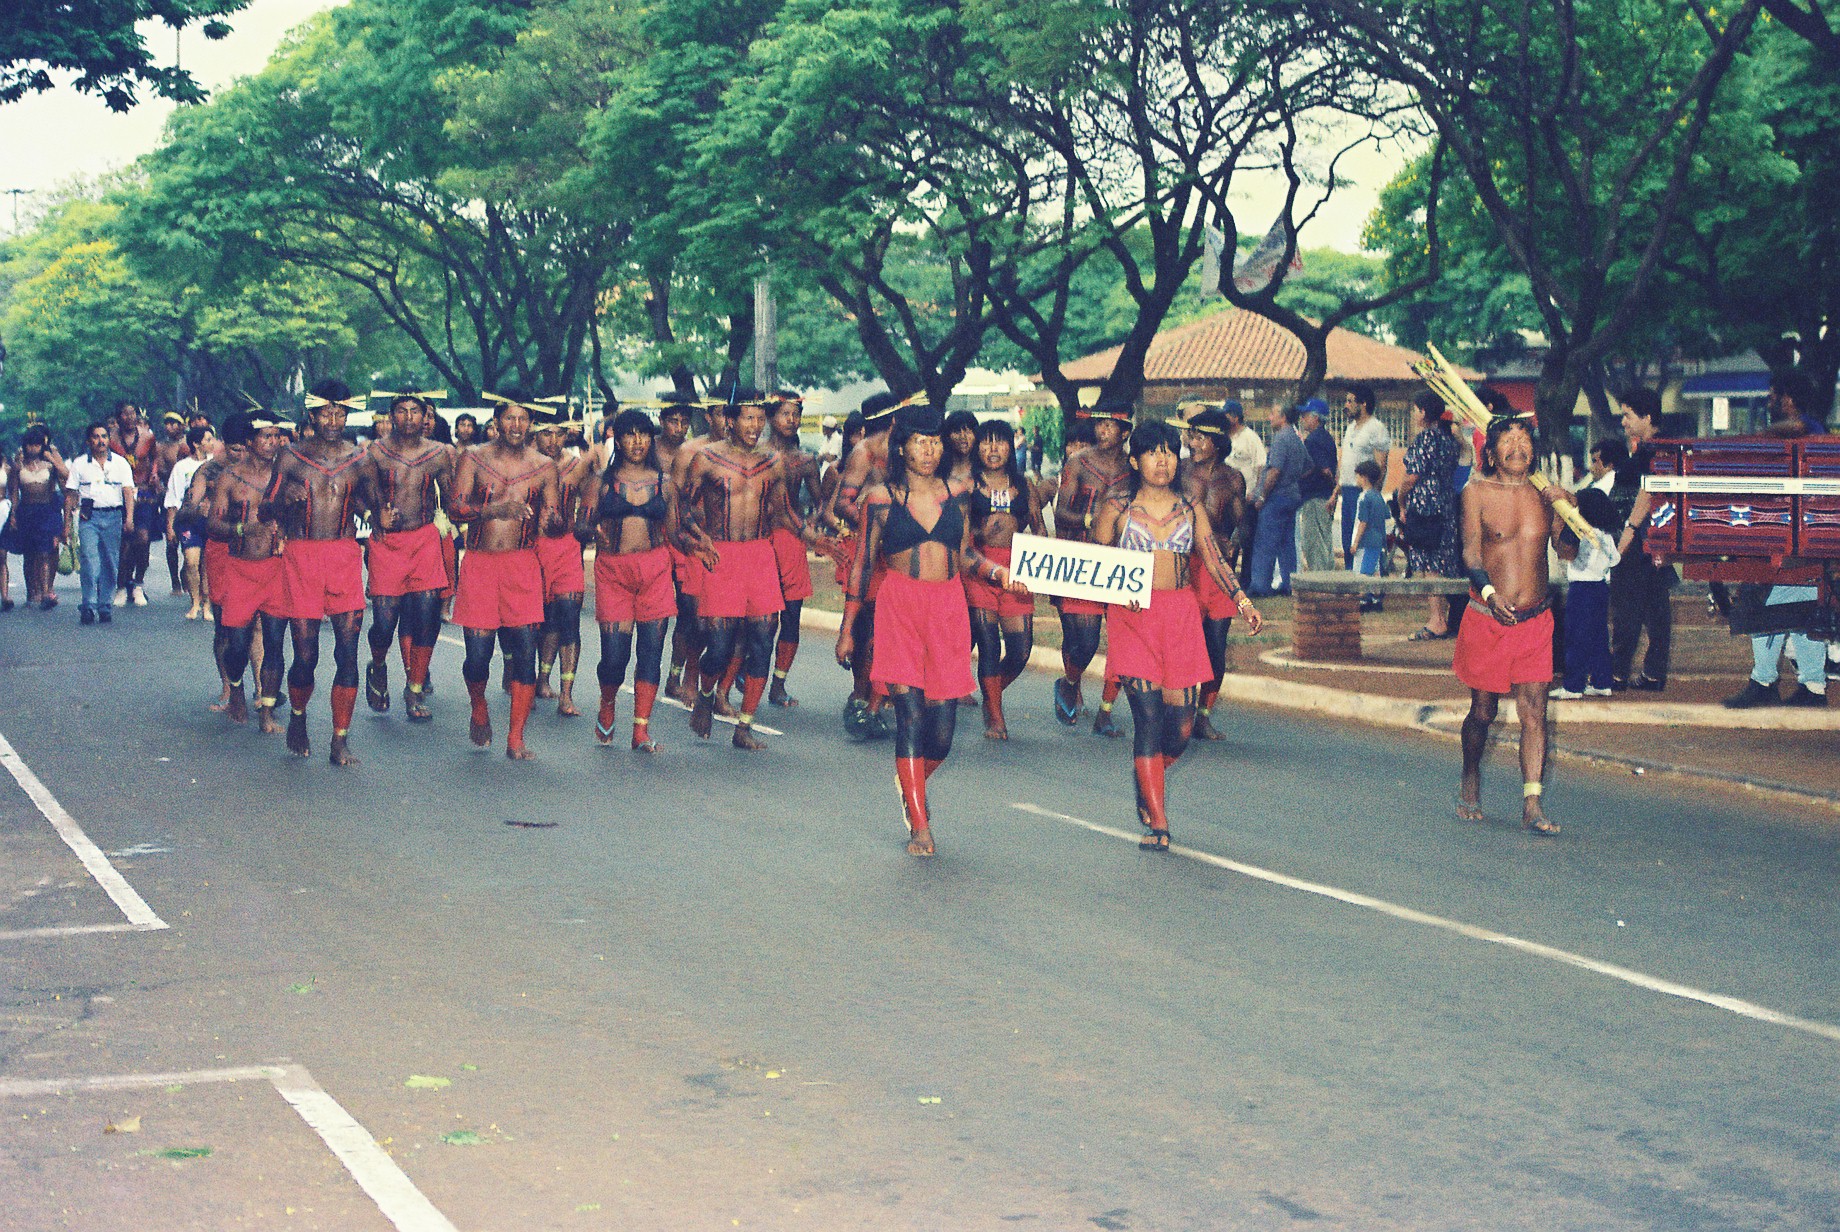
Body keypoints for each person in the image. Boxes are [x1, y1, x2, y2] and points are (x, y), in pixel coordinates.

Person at [836, 403, 1021, 857]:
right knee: (911, 717)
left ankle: (910, 781)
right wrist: (847, 628)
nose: (931, 449)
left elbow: (964, 555)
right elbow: (862, 563)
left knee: (942, 732)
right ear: (903, 445)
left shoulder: (958, 492)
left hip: (947, 610)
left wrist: (998, 575)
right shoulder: (881, 497)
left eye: (936, 441)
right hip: (900, 608)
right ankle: (920, 823)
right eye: (921, 441)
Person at [1092, 420, 1263, 851]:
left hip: (1181, 617)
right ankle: (1158, 822)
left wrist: (1242, 601)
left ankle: (1147, 774)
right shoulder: (1117, 508)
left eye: (1170, 450)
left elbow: (1214, 557)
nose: (1163, 459)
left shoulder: (1191, 508)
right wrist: (1116, 591)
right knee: (1148, 719)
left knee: (1182, 729)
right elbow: (1092, 565)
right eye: (1153, 452)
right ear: (1136, 460)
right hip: (1134, 620)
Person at [1454, 413, 1569, 835]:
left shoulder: (1544, 496)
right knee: (1482, 712)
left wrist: (1568, 511)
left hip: (1536, 620)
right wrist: (1488, 593)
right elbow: (1469, 554)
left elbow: (1567, 550)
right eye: (1508, 440)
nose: (1518, 447)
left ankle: (1532, 802)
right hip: (1488, 617)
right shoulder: (1476, 492)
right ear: (1492, 451)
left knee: (1534, 711)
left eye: (1524, 439)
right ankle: (1470, 775)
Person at [679, 393, 810, 750]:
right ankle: (706, 694)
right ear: (730, 420)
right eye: (747, 419)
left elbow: (784, 513)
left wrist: (815, 539)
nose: (755, 427)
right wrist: (698, 540)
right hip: (722, 556)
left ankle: (744, 726)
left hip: (761, 555)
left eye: (758, 420)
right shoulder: (706, 459)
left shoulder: (773, 461)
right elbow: (684, 511)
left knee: (762, 641)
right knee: (719, 648)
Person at [267, 380, 378, 766]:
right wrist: (285, 500)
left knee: (348, 651)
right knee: (306, 655)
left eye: (340, 413)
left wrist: (378, 515)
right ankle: (298, 716)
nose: (333, 420)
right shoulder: (291, 457)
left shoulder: (360, 458)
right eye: (326, 413)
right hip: (303, 556)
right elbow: (266, 509)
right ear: (311, 415)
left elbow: (375, 506)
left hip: (344, 555)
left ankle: (340, 738)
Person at [447, 394, 562, 758]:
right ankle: (478, 705)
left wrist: (554, 522)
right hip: (481, 564)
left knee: (525, 651)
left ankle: (516, 737)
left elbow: (553, 515)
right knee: (478, 658)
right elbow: (456, 510)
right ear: (496, 421)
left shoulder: (545, 466)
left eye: (523, 419)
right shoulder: (474, 458)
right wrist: (497, 509)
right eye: (509, 419)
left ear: (531, 423)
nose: (516, 426)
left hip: (523, 565)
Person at [579, 409, 688, 752]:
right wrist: (590, 529)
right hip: (613, 571)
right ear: (618, 439)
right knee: (614, 657)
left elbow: (674, 531)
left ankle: (641, 729)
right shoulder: (600, 481)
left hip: (655, 570)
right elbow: (580, 526)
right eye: (630, 434)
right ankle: (608, 702)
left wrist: (699, 545)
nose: (638, 441)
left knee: (651, 652)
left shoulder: (665, 484)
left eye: (644, 434)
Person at [1723, 374, 1831, 708]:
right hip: (1800, 534)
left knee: (1768, 602)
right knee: (1800, 608)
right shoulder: (1816, 430)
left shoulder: (1806, 428)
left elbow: (1792, 429)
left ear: (1787, 400)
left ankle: (1767, 681)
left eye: (1772, 396)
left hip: (1796, 536)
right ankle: (1808, 686)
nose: (1769, 403)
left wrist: (1754, 438)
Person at [362, 394, 456, 724]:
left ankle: (414, 689)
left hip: (425, 539)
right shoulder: (375, 452)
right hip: (387, 544)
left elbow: (454, 497)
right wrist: (374, 516)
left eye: (415, 411)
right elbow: (357, 494)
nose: (409, 417)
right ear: (391, 416)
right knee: (384, 624)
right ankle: (378, 665)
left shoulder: (439, 453)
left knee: (427, 617)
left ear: (425, 415)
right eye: (402, 411)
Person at [1050, 401, 1134, 733]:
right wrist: (1093, 520)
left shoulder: (1136, 468)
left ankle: (1105, 709)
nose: (1101, 430)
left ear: (1125, 432)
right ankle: (1070, 681)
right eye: (1098, 425)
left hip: (1118, 562)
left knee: (1122, 640)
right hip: (1079, 558)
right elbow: (1060, 512)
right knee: (1082, 639)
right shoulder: (1078, 462)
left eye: (1110, 426)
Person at [825, 392, 902, 738]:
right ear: (892, 419)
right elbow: (842, 505)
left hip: (902, 552)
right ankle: (864, 696)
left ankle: (877, 700)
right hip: (872, 550)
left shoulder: (905, 450)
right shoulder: (864, 453)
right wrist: (876, 527)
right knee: (868, 628)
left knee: (892, 628)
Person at [206, 412, 290, 732]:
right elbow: (213, 524)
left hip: (276, 569)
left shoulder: (286, 476)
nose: (272, 442)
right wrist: (243, 527)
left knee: (274, 642)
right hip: (240, 569)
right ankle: (237, 689)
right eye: (265, 436)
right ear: (251, 441)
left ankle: (266, 711)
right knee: (237, 644)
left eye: (275, 436)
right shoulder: (230, 477)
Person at [964, 419, 1042, 739]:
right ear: (976, 447)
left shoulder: (1024, 485)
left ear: (1012, 446)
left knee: (1021, 648)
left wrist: (1047, 569)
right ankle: (995, 716)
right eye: (986, 442)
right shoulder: (966, 485)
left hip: (1019, 567)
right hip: (979, 567)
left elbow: (1039, 529)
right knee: (989, 646)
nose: (993, 449)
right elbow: (961, 537)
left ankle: (991, 694)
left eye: (1000, 442)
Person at [1181, 408, 1248, 739]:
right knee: (1182, 643)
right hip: (1185, 568)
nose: (1194, 442)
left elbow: (1242, 523)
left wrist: (1234, 542)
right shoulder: (1179, 473)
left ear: (1218, 443)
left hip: (1218, 571)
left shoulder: (1233, 478)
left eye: (1201, 437)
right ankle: (1178, 710)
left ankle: (1203, 715)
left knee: (1216, 647)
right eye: (1192, 435)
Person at [665, 396, 731, 706]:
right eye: (720, 414)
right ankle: (683, 678)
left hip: (729, 547)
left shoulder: (748, 455)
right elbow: (678, 503)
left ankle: (719, 690)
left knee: (728, 623)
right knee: (694, 617)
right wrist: (690, 539)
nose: (726, 422)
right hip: (692, 544)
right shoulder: (690, 453)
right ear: (709, 416)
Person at [1608, 388, 1673, 691]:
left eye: (1627, 415)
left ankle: (1618, 672)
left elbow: (1648, 492)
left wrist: (1627, 535)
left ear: (1647, 417)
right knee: (1656, 609)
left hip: (1640, 540)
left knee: (1627, 609)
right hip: (1657, 540)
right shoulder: (1663, 446)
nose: (1623, 421)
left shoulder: (1652, 451)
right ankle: (1653, 673)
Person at [532, 406, 592, 718]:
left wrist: (584, 523)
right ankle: (533, 678)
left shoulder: (578, 466)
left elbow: (591, 499)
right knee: (537, 622)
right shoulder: (524, 464)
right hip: (530, 550)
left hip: (567, 548)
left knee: (568, 616)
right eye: (546, 433)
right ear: (534, 433)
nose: (553, 440)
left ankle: (566, 693)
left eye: (559, 433)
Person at [766, 390, 822, 707]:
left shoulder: (805, 461)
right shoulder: (756, 455)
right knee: (760, 618)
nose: (791, 420)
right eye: (785, 413)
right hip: (760, 540)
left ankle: (778, 683)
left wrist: (811, 526)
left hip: (791, 541)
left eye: (796, 414)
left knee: (791, 615)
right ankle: (746, 668)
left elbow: (820, 502)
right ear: (772, 417)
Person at [1400, 391, 1464, 640]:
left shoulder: (1426, 438)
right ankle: (1448, 617)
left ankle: (1437, 619)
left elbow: (1412, 475)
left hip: (1426, 507)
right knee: (1445, 561)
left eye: (1416, 409)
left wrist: (1401, 499)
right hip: (1446, 504)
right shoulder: (1448, 439)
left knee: (1429, 563)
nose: (1414, 414)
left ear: (1424, 412)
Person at [1549, 488, 1622, 700]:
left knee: (1575, 637)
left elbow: (1566, 554)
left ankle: (1573, 686)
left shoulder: (1581, 531)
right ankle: (1602, 681)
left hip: (1581, 589)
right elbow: (1615, 560)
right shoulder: (1606, 534)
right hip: (1600, 587)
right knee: (1598, 637)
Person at [65, 422, 136, 625]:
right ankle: (88, 604)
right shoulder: (79, 464)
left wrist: (129, 518)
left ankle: (105, 605)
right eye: (96, 437)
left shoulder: (121, 463)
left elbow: (128, 492)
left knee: (110, 561)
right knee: (88, 559)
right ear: (89, 441)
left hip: (113, 517)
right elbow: (70, 495)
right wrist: (67, 525)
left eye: (104, 436)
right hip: (89, 517)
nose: (100, 440)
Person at [1248, 404, 1308, 597]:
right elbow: (1309, 465)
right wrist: (1293, 479)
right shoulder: (1296, 439)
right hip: (1292, 495)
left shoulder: (1281, 438)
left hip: (1277, 497)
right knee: (1286, 543)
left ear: (1283, 417)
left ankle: (1260, 585)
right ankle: (1289, 583)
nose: (1269, 417)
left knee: (1265, 542)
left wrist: (1263, 495)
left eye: (1272, 413)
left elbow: (1274, 470)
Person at [8, 425, 69, 609]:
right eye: (30, 445)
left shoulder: (50, 465)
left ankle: (45, 592)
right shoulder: (19, 465)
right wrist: (13, 514)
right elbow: (14, 492)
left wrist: (51, 457)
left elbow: (66, 476)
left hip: (46, 510)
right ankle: (31, 591)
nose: (33, 448)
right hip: (26, 511)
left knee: (45, 551)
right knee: (29, 553)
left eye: (36, 445)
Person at [1331, 384, 1392, 559]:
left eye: (1350, 401)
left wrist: (1373, 493)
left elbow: (1381, 464)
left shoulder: (1376, 428)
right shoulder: (1350, 428)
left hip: (1364, 492)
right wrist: (1336, 491)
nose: (1346, 405)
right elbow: (1346, 462)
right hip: (1348, 490)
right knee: (1348, 540)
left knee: (1363, 540)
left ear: (1363, 404)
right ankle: (1351, 577)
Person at [107, 401, 158, 607]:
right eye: (125, 414)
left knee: (143, 539)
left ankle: (138, 583)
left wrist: (154, 475)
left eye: (133, 413)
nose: (129, 418)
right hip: (119, 494)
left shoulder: (148, 437)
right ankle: (121, 585)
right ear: (118, 418)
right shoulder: (110, 439)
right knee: (124, 544)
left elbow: (155, 458)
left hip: (143, 492)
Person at [163, 424, 214, 619]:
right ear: (196, 443)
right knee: (191, 562)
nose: (212, 443)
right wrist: (170, 526)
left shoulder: (216, 465)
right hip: (187, 521)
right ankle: (195, 602)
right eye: (208, 440)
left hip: (209, 521)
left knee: (207, 563)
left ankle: (208, 604)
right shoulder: (181, 467)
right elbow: (173, 498)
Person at [1294, 398, 1338, 572]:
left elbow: (1325, 469)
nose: (1302, 418)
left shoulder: (1313, 440)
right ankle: (1328, 580)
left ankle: (1319, 582)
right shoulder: (1326, 438)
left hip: (1315, 497)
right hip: (1324, 495)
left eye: (1305, 415)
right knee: (1325, 540)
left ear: (1315, 417)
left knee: (1313, 542)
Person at [154, 410, 193, 595]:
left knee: (190, 538)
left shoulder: (188, 445)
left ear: (182, 425)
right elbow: (159, 469)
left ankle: (187, 571)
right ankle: (175, 581)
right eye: (166, 423)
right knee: (171, 541)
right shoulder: (161, 447)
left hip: (189, 498)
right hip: (169, 496)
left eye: (173, 423)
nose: (169, 427)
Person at [1346, 459, 1389, 612]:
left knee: (1363, 572)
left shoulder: (1364, 498)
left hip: (1366, 541)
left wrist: (1356, 542)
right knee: (1375, 570)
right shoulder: (1378, 497)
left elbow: (1363, 521)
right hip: (1378, 540)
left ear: (1364, 477)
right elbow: (1385, 516)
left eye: (1358, 476)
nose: (1356, 479)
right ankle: (1377, 599)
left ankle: (1364, 600)